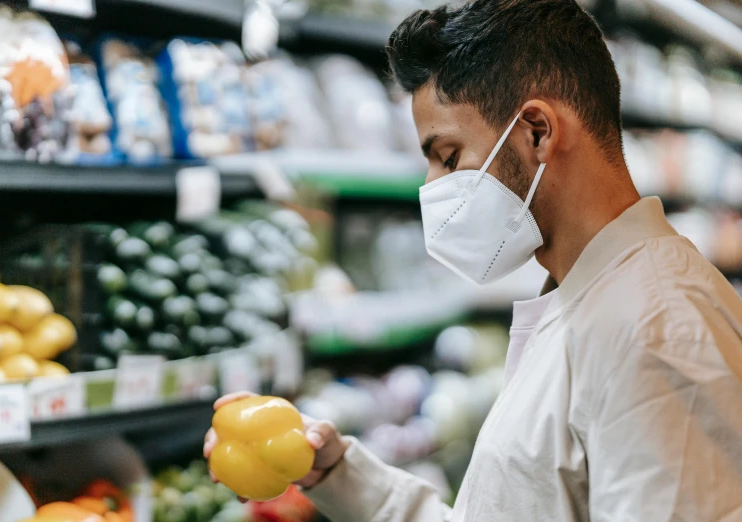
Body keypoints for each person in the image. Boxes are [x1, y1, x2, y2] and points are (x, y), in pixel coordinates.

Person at [205, 0, 742, 520]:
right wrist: (338, 474)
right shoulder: (585, 298)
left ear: (537, 132)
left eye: (447, 156)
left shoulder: (657, 329)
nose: (431, 189)